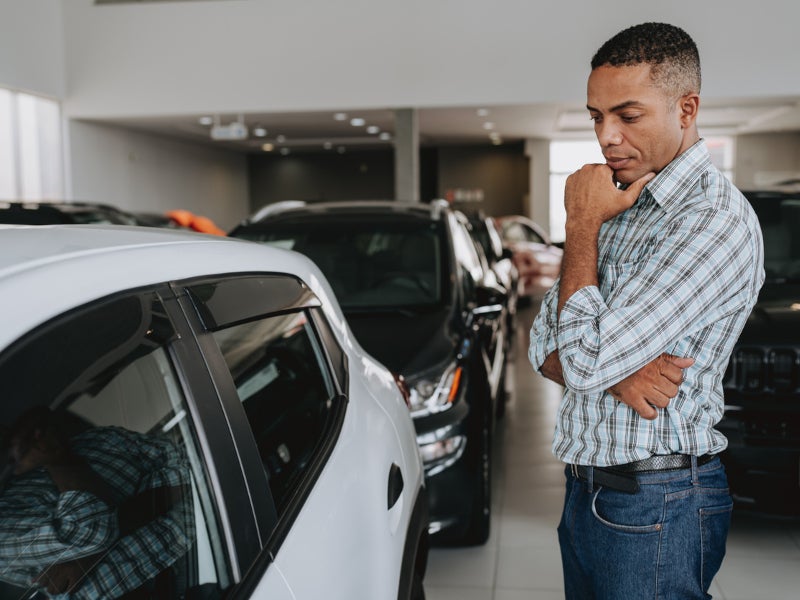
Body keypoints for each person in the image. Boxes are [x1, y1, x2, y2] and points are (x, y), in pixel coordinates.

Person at [528, 22, 764, 599]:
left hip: (656, 502)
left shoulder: (711, 220)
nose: (607, 136)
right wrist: (617, 373)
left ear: (686, 109)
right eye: (595, 116)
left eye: (627, 116)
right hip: (589, 491)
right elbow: (541, 344)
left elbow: (578, 360)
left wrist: (580, 224)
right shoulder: (624, 202)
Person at [0, 407, 195, 599]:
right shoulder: (5, 522)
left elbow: (187, 468)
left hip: (202, 542)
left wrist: (88, 555)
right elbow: (90, 531)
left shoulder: (98, 439)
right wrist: (60, 461)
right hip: (141, 589)